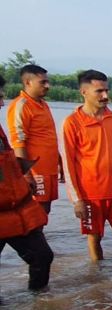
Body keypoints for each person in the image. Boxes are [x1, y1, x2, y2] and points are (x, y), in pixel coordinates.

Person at [63, 70, 112, 262]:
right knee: (95, 237)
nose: (105, 96)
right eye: (99, 91)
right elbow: (67, 164)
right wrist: (77, 200)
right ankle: (97, 280)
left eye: (106, 90)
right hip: (91, 194)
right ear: (84, 92)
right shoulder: (72, 123)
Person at [0, 74, 54, 292]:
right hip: (7, 209)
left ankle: (39, 307)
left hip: (14, 209)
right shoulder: (21, 106)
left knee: (42, 256)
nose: (2, 102)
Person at [6, 64, 62, 215]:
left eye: (47, 81)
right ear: (28, 82)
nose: (47, 85)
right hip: (35, 171)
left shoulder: (43, 105)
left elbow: (47, 136)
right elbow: (18, 141)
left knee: (45, 209)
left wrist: (59, 160)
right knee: (37, 211)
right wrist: (25, 174)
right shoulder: (21, 105)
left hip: (48, 169)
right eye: (42, 82)